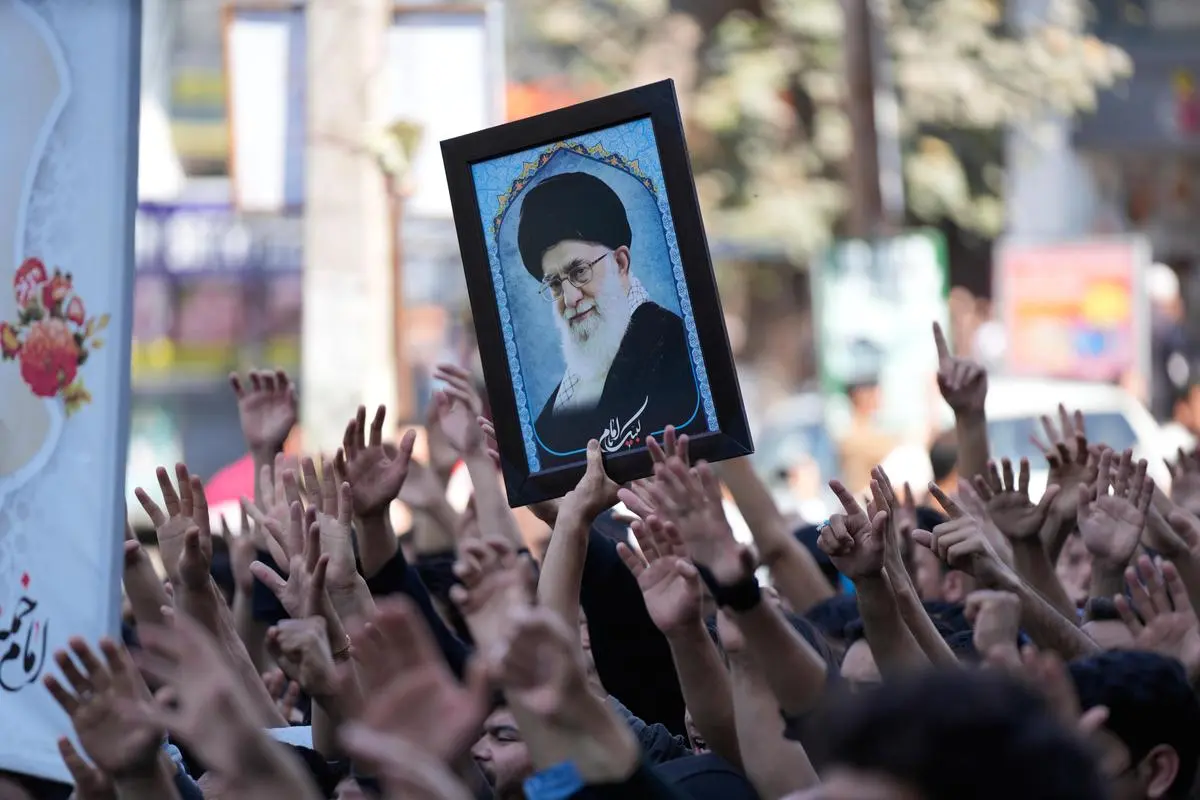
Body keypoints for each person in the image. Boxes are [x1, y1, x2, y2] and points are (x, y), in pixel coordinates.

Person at [516, 171, 701, 464]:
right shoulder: (569, 392)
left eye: (579, 272)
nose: (570, 298)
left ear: (620, 263)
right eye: (554, 284)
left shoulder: (679, 350)